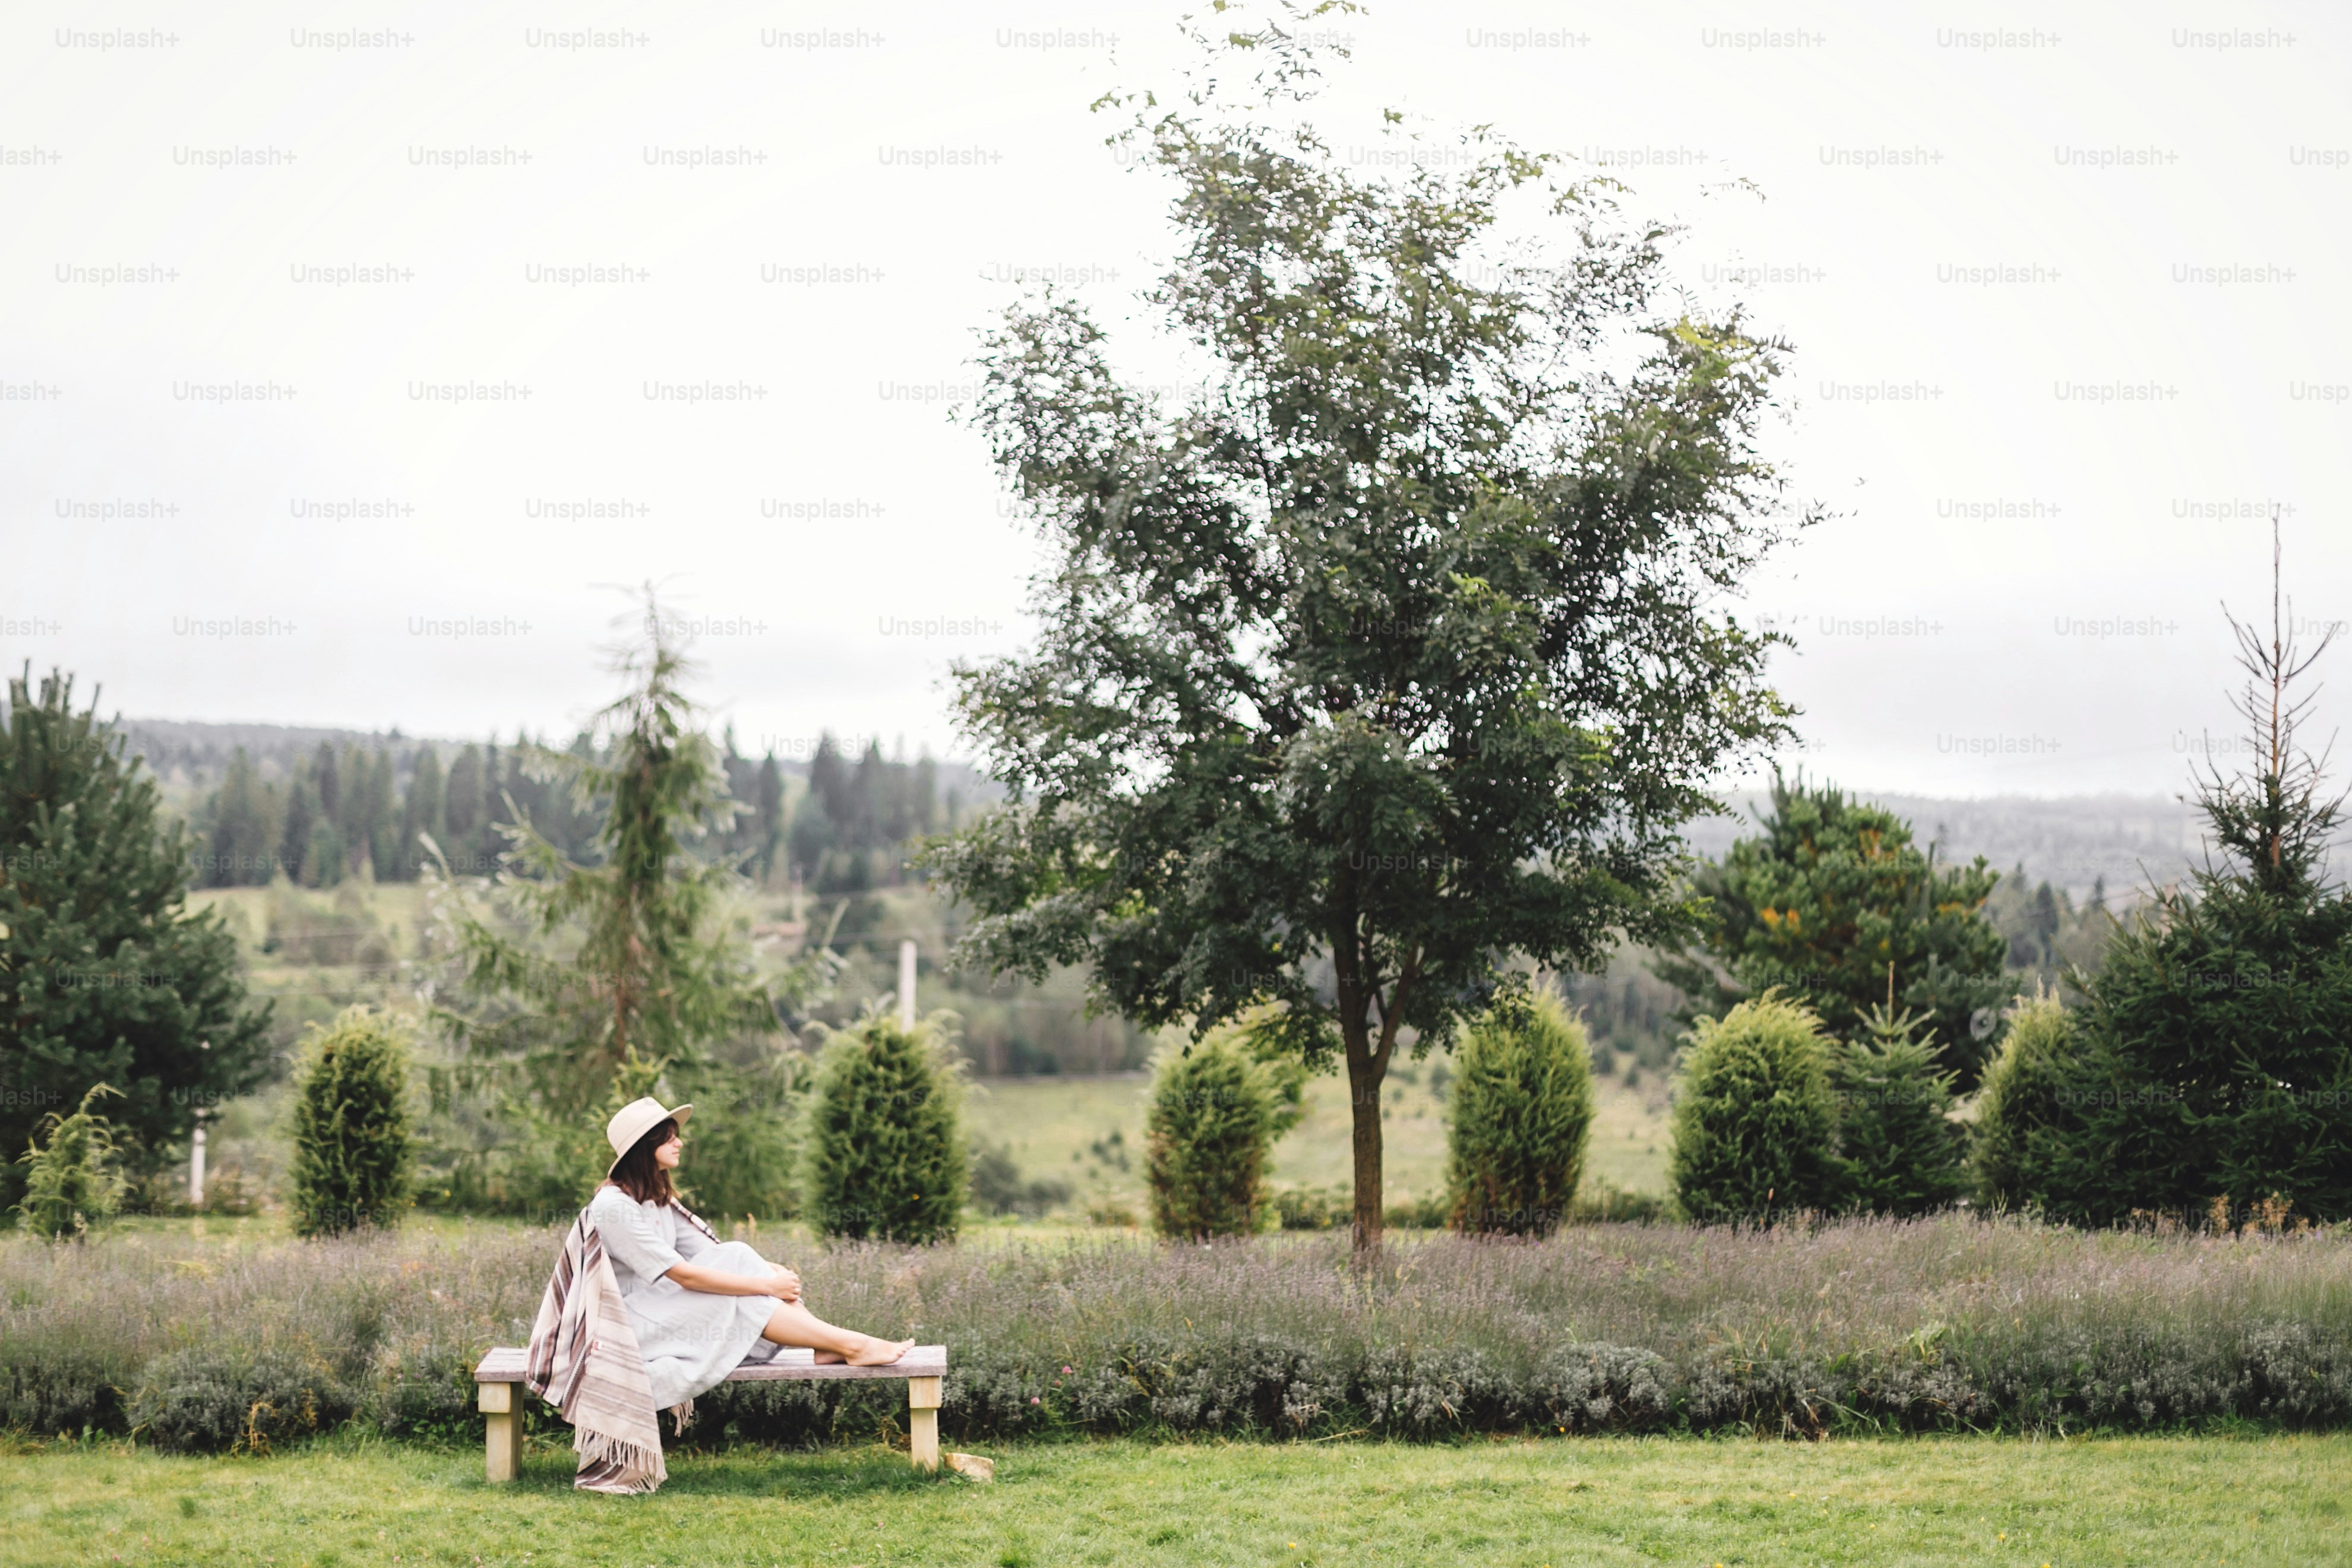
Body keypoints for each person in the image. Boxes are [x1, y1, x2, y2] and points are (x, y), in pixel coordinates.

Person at [587, 1096, 912, 1411]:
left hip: (664, 1311)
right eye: (669, 1137)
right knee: (745, 1272)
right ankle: (847, 1344)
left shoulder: (654, 1198)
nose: (680, 1143)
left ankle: (830, 1344)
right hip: (631, 1326)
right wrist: (770, 1288)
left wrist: (772, 1273)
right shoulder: (613, 1207)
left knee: (738, 1255)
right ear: (645, 1147)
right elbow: (683, 1275)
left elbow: (714, 1254)